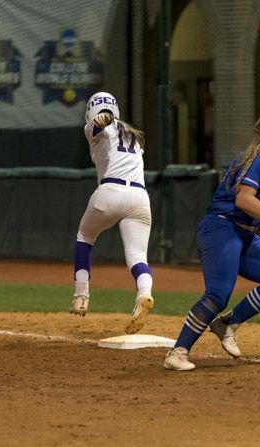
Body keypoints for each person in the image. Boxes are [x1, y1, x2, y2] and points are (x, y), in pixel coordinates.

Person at [164, 106, 260, 371]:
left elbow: (248, 205)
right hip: (221, 228)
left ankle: (228, 323)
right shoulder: (259, 158)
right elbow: (243, 199)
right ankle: (177, 352)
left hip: (243, 232)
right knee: (218, 294)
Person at [69, 91, 154, 335]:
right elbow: (110, 122)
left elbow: (99, 124)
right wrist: (108, 117)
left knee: (84, 237)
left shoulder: (93, 128)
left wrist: (102, 118)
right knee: (138, 257)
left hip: (110, 191)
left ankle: (81, 295)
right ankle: (144, 293)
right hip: (139, 197)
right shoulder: (134, 136)